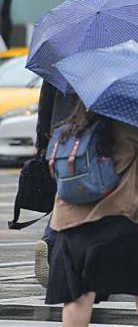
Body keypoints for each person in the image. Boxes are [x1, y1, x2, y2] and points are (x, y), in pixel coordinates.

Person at [45, 101, 138, 327]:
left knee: (77, 293)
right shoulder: (132, 125)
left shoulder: (68, 128)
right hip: (124, 219)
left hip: (69, 223)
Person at [34, 80, 79, 288]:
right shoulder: (109, 63)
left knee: (63, 195)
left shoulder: (59, 57)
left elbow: (45, 105)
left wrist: (42, 143)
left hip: (59, 139)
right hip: (91, 141)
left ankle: (50, 239)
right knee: (92, 200)